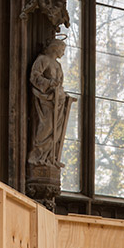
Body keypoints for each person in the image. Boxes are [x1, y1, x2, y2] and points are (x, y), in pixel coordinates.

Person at [27, 38, 74, 170]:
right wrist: (48, 84)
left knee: (56, 130)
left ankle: (49, 157)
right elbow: (34, 77)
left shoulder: (58, 65)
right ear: (55, 47)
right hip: (45, 99)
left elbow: (59, 83)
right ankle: (37, 156)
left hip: (57, 101)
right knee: (46, 126)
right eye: (62, 50)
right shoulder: (43, 60)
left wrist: (63, 94)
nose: (63, 53)